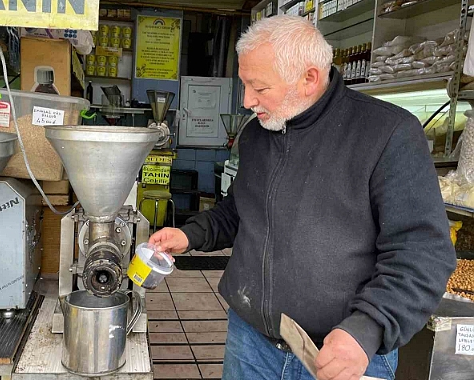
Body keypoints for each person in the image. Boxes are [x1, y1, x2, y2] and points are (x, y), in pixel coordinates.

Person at [150, 15, 456, 380]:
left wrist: (367, 329)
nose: (247, 101)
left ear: (309, 78)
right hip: (251, 345)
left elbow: (421, 252)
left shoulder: (388, 134)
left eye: (259, 88)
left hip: (342, 355)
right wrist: (190, 234)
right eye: (245, 84)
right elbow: (238, 210)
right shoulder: (258, 134)